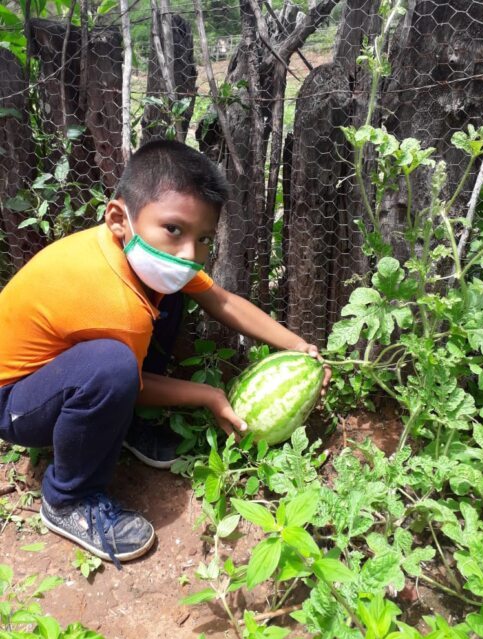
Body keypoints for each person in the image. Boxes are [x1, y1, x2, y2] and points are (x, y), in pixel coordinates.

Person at [0, 139, 328, 567]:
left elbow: (223, 302)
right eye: (174, 229)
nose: (190, 253)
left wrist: (298, 346)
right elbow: (130, 383)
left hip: (60, 373)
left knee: (169, 293)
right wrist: (209, 396)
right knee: (112, 367)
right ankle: (68, 498)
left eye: (204, 238)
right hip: (14, 402)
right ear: (119, 217)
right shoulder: (116, 303)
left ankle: (121, 427)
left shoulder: (136, 252)